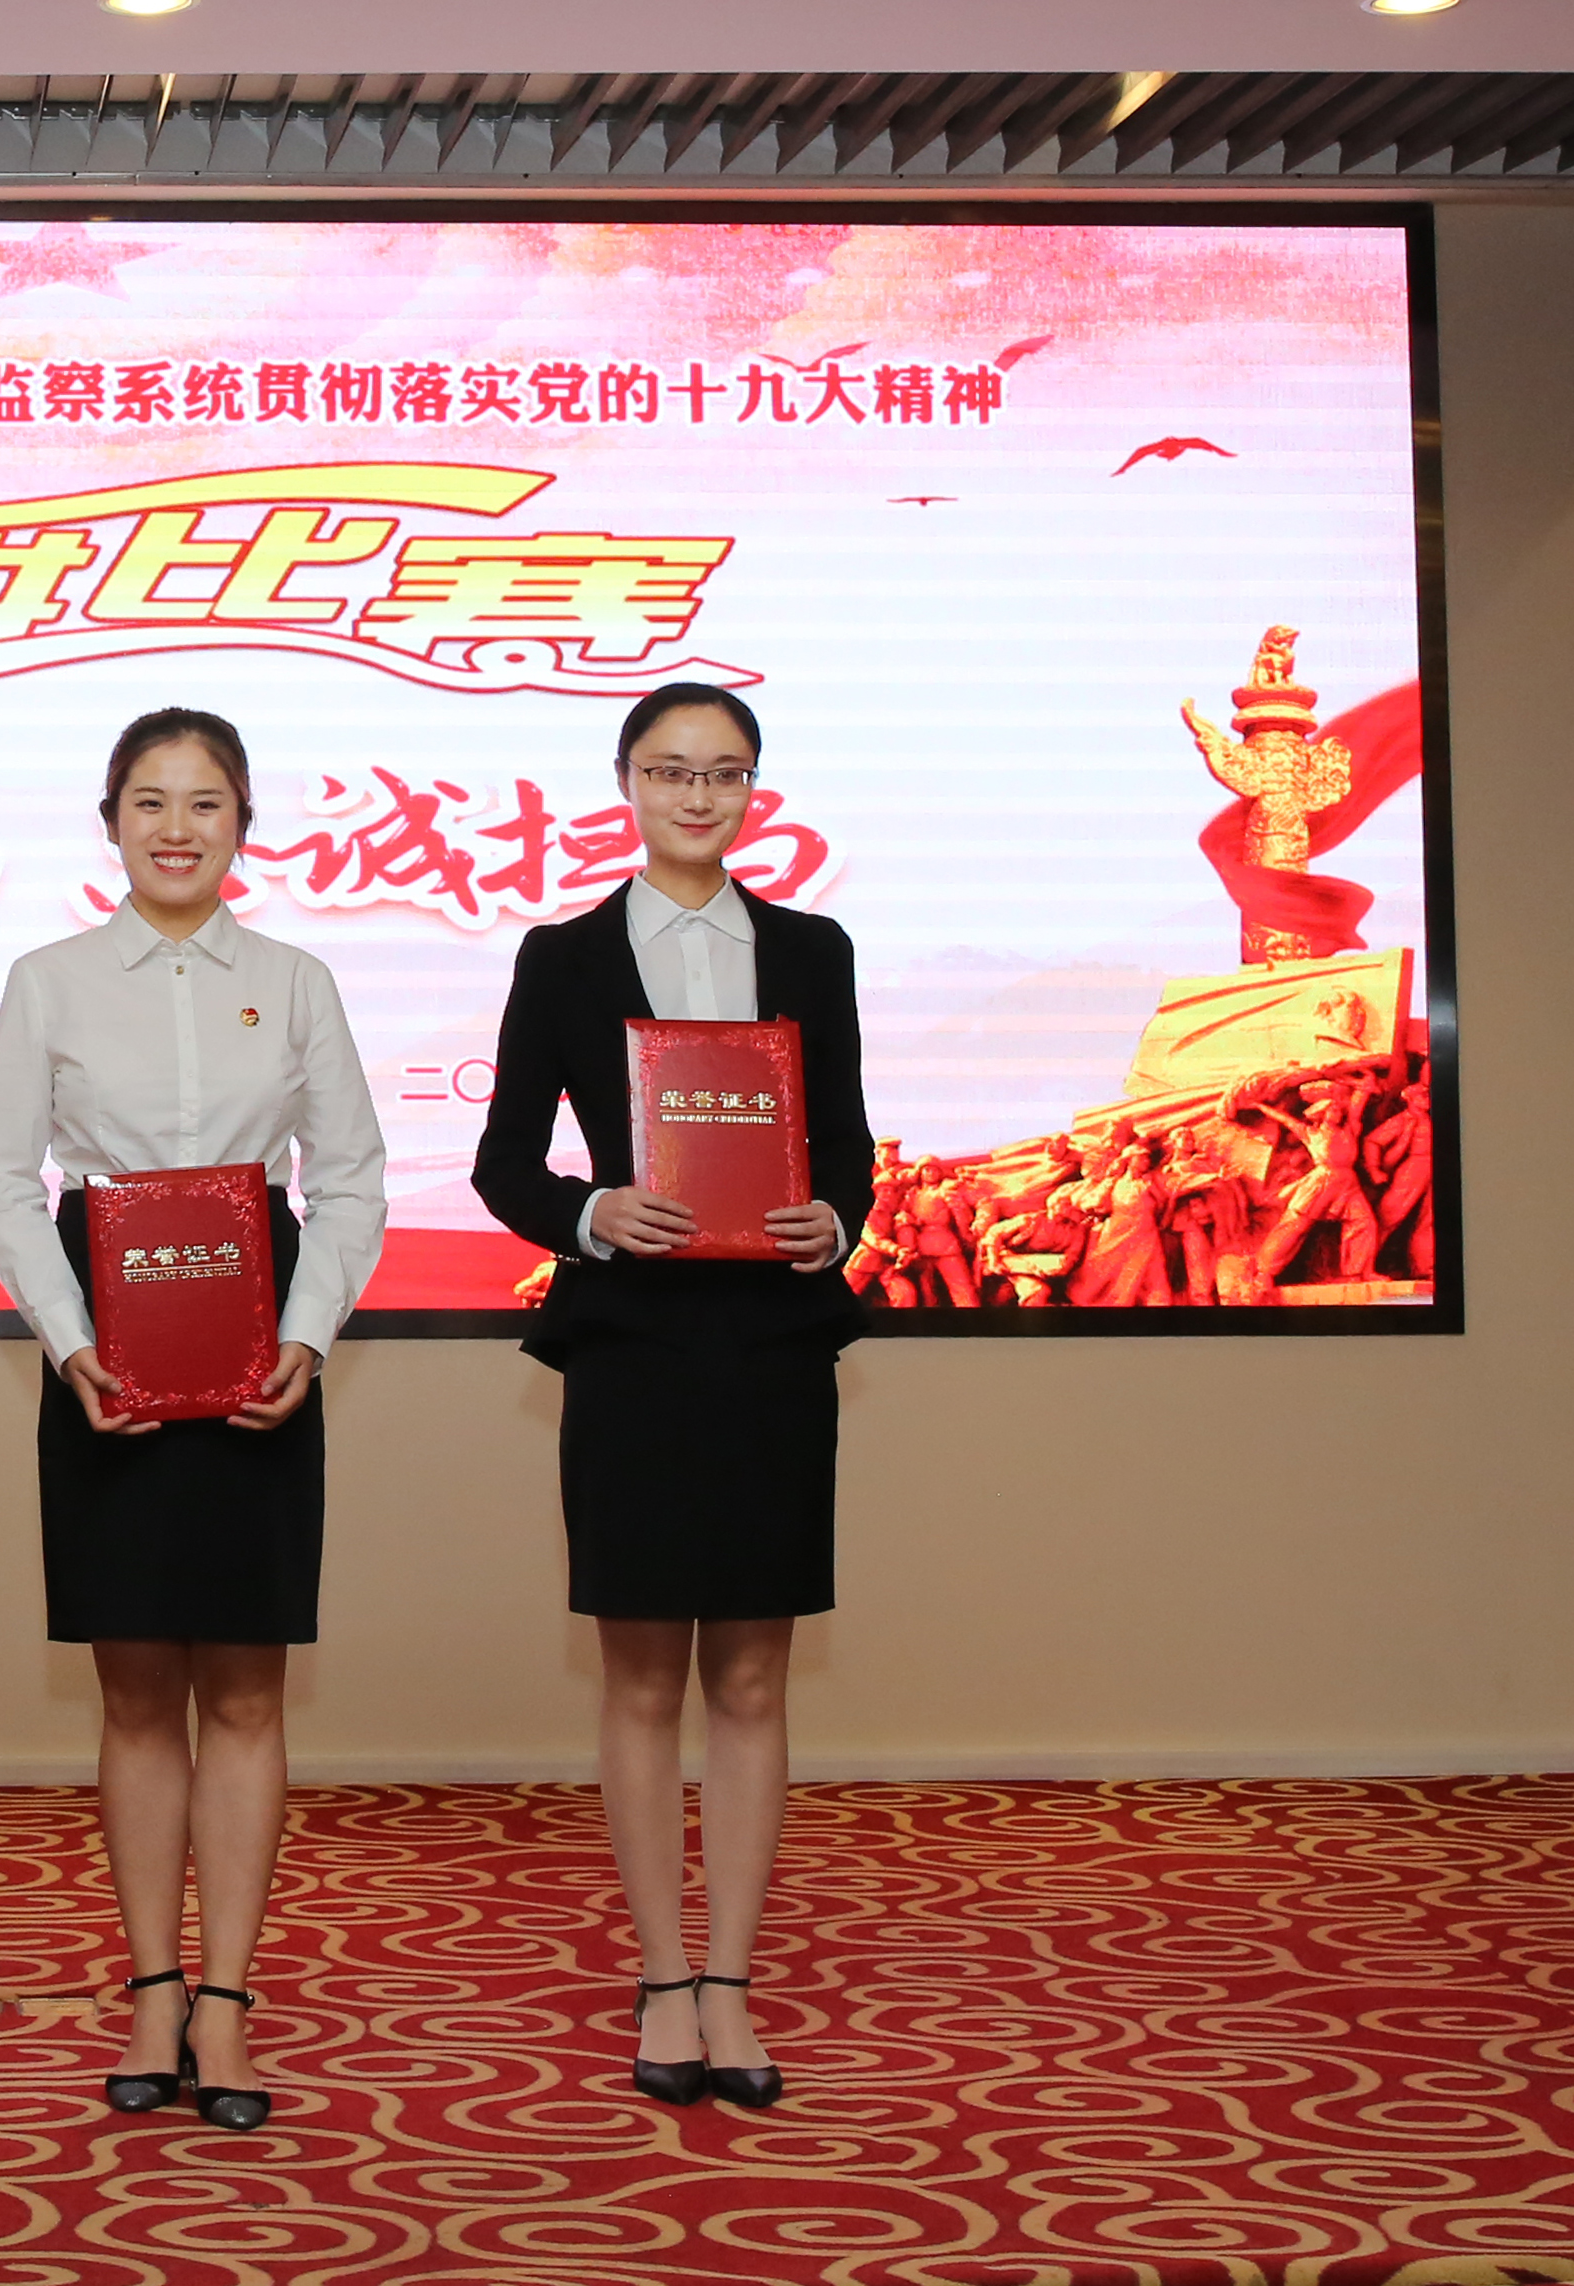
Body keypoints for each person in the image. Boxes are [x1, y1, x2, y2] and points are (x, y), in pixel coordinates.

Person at [0, 707, 386, 2135]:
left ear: (243, 825)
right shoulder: (49, 981)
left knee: (249, 1693)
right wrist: (69, 1339)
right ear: (109, 823)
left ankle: (226, 2001)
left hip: (262, 1338)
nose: (176, 828)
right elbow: (0, 1178)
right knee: (137, 1689)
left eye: (205, 803)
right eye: (148, 801)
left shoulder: (297, 980)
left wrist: (307, 1334)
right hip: (108, 1348)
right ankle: (152, 1985)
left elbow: (349, 1177)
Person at [467, 681, 873, 2111]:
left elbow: (850, 1148)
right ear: (627, 784)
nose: (698, 796)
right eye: (670, 771)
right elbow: (504, 1165)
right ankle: (660, 1975)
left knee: (752, 1676)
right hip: (633, 1348)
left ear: (754, 790)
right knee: (642, 1677)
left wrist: (834, 1218)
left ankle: (733, 1980)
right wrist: (595, 1213)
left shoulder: (811, 950)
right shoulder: (564, 955)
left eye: (725, 773)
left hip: (772, 1349)